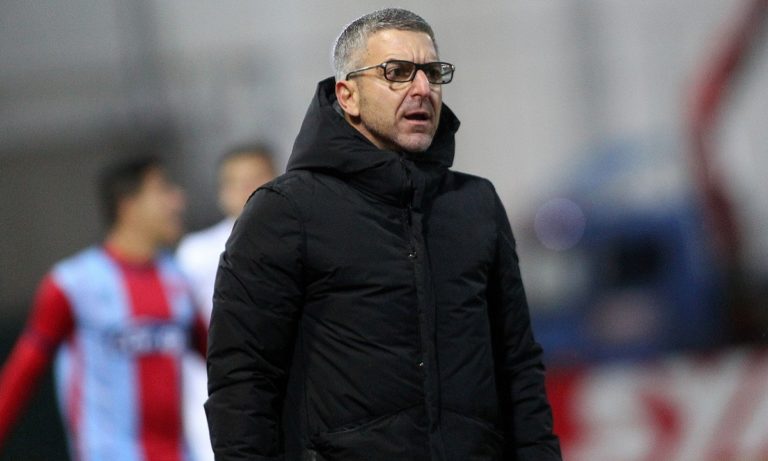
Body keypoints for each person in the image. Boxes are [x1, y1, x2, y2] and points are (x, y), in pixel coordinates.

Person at [206, 8, 562, 461]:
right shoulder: (286, 211)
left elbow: (518, 365)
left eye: (433, 73)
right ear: (348, 96)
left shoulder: (475, 204)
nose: (422, 89)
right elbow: (242, 380)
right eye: (397, 72)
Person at [0, 155, 208, 461]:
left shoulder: (177, 280)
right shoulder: (72, 284)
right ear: (128, 205)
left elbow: (222, 361)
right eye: (163, 190)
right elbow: (21, 375)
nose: (177, 200)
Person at [176, 144, 276, 461]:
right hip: (220, 398)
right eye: (238, 182)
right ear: (222, 193)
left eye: (257, 178)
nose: (249, 189)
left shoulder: (307, 240)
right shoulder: (194, 255)